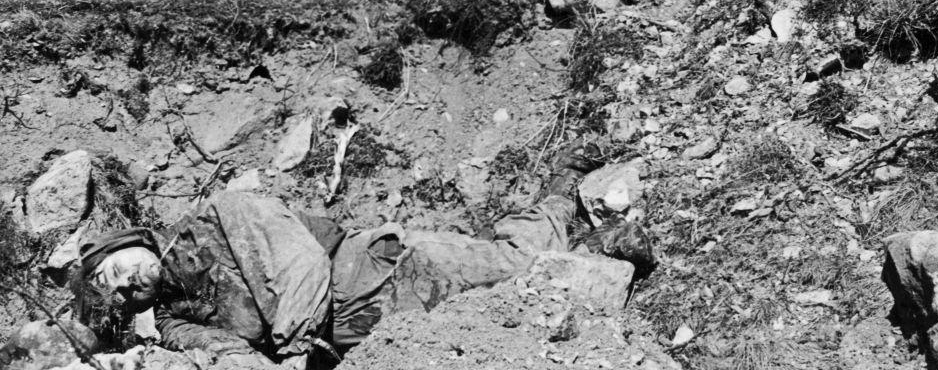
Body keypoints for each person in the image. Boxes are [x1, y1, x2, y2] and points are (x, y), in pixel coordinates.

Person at [76, 148, 645, 367]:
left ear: (129, 242)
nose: (127, 284)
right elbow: (230, 358)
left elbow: (302, 263)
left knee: (518, 265)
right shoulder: (175, 321)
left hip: (391, 271)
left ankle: (562, 199)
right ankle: (590, 247)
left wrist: (295, 350)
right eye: (120, 295)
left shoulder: (222, 213)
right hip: (368, 341)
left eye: (115, 270)